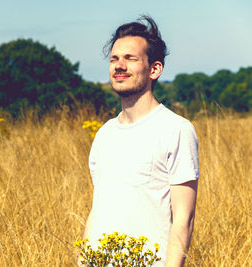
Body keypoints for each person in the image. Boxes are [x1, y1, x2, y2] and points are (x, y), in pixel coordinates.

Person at [79, 16, 199, 267]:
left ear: (154, 69)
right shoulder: (104, 134)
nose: (119, 66)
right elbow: (98, 208)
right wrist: (83, 261)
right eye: (114, 59)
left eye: (130, 58)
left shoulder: (176, 129)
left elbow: (183, 219)